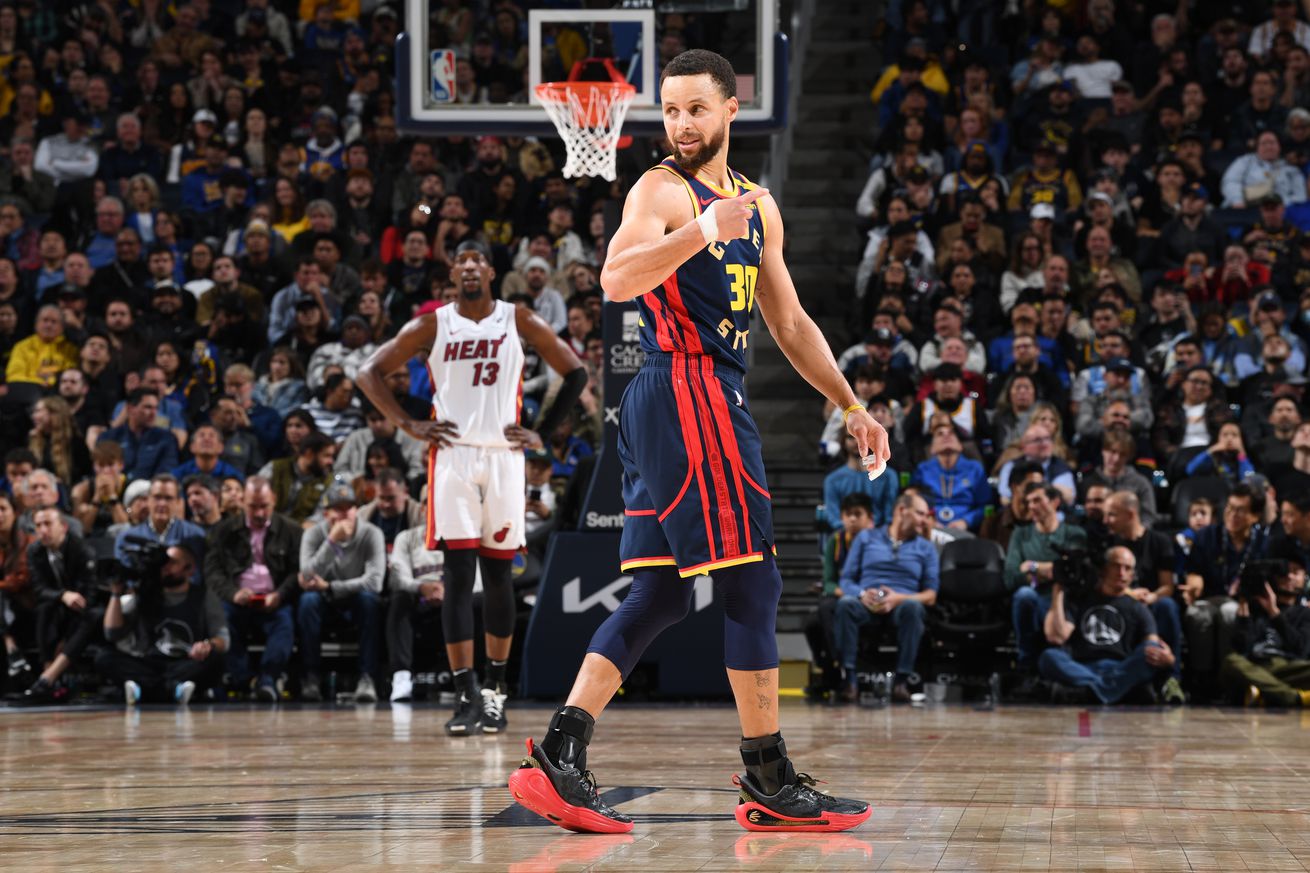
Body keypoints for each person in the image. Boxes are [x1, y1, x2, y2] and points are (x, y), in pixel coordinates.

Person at [506, 50, 887, 834]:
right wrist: (701, 232)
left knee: (663, 592)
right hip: (685, 387)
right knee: (755, 583)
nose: (680, 125)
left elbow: (786, 323)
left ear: (729, 112)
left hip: (684, 396)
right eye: (671, 111)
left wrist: (849, 402)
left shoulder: (759, 203)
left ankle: (560, 755)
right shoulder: (662, 190)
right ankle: (769, 775)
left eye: (695, 110)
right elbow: (615, 280)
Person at [359, 239, 584, 735]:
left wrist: (542, 432)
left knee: (499, 578)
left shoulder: (517, 318)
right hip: (453, 458)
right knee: (459, 576)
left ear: (490, 269)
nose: (467, 266)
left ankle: (495, 693)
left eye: (476, 259)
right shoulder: (434, 323)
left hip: (504, 456)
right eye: (459, 260)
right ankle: (464, 697)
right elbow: (367, 372)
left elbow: (575, 371)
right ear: (451, 271)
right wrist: (408, 424)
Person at [831, 492, 938, 703]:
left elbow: (931, 595)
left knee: (914, 609)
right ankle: (850, 680)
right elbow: (846, 581)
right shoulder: (867, 537)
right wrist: (862, 594)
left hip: (901, 605)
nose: (925, 520)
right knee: (845, 604)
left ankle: (902, 682)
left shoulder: (926, 548)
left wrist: (899, 598)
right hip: (867, 604)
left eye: (926, 515)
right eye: (920, 514)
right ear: (901, 511)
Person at [204, 477, 302, 702]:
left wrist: (280, 594)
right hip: (237, 599)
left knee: (284, 625)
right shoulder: (224, 530)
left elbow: (297, 571)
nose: (259, 513)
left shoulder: (292, 531)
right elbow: (213, 571)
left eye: (264, 506)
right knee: (223, 623)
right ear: (242, 502)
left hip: (274, 599)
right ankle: (245, 680)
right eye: (253, 506)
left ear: (274, 501)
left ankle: (268, 679)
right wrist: (233, 593)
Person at [1039, 546, 1177, 704]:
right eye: (1116, 566)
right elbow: (1056, 636)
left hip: (1121, 667)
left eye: (1127, 568)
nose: (1121, 573)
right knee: (1049, 658)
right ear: (1104, 569)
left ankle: (1089, 691)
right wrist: (1058, 590)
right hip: (1081, 666)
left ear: (1133, 575)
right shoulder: (1081, 599)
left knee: (1149, 654)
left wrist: (1169, 659)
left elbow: (1152, 644)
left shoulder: (1138, 607)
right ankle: (1116, 690)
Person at [97, 543, 227, 706]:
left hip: (185, 662)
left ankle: (144, 690)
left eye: (172, 563)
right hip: (148, 662)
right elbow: (112, 633)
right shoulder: (146, 593)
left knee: (216, 660)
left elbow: (223, 640)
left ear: (189, 569)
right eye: (163, 563)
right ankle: (174, 690)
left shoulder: (203, 596)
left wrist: (208, 645)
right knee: (105, 657)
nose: (165, 567)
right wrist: (116, 593)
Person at [295, 482, 386, 703]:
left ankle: (367, 677)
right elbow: (306, 576)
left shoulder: (371, 533)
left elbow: (375, 583)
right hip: (324, 601)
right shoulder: (314, 534)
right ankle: (311, 676)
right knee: (307, 601)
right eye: (338, 508)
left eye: (349, 508)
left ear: (357, 510)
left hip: (354, 598)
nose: (344, 514)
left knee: (370, 601)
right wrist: (332, 542)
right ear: (326, 513)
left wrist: (330, 586)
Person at [1182, 482, 1269, 699]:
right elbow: (1193, 571)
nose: (1232, 515)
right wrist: (1194, 583)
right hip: (1209, 597)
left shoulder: (1263, 544)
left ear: (1255, 516)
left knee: (1230, 613)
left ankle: (1228, 680)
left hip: (1244, 602)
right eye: (1229, 508)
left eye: (1240, 510)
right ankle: (1201, 680)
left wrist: (1247, 596)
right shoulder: (1207, 536)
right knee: (1197, 614)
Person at [1103, 491, 1186, 703]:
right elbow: (1102, 584)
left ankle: (1171, 678)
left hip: (1149, 605)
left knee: (1167, 605)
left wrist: (1151, 597)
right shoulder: (1108, 544)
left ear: (1130, 514)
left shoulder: (1159, 541)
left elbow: (1167, 586)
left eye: (1112, 515)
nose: (1106, 521)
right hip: (1117, 604)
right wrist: (1129, 593)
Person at [1006, 482, 1088, 673]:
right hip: (1036, 599)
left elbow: (1075, 572)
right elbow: (1011, 577)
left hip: (1067, 600)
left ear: (1055, 502)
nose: (1031, 507)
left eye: (1037, 500)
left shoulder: (1074, 533)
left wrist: (1033, 567)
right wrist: (1055, 570)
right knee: (1024, 595)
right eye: (1028, 502)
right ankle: (1026, 665)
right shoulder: (1020, 534)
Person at [22, 508, 100, 701]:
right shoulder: (34, 551)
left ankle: (47, 678)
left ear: (63, 527)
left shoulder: (82, 549)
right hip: (55, 606)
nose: (42, 530)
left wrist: (65, 637)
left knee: (92, 616)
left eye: (48, 524)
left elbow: (89, 596)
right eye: (38, 525)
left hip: (81, 610)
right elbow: (40, 589)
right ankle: (48, 672)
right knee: (44, 608)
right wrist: (63, 595)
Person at [1221, 554, 1310, 707]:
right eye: (1283, 572)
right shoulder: (1255, 608)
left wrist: (1274, 613)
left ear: (1305, 579)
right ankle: (1294, 697)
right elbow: (1241, 648)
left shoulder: (1303, 613)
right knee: (1231, 661)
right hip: (1255, 664)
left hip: (1287, 666)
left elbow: (1300, 650)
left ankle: (1265, 691)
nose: (1289, 576)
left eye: (1295, 572)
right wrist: (1244, 615)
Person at [912, 423, 991, 531]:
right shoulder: (923, 470)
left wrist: (966, 521)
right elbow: (914, 502)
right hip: (930, 528)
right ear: (932, 449)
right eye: (940, 434)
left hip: (967, 530)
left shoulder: (974, 469)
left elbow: (986, 506)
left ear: (960, 446)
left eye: (951, 433)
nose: (946, 436)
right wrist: (929, 520)